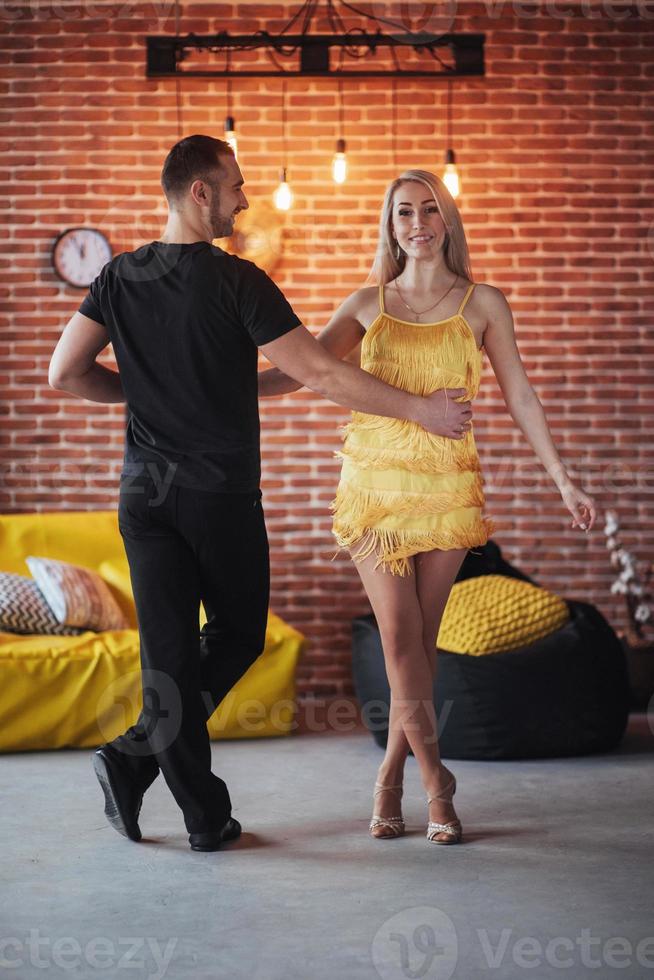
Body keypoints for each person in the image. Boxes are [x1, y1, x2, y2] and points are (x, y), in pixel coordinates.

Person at [48, 137, 474, 852]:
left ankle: (184, 804)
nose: (245, 200)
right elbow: (321, 373)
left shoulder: (118, 277)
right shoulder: (237, 281)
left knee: (169, 659)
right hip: (217, 497)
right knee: (239, 636)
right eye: (237, 186)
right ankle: (150, 773)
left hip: (144, 496)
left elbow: (65, 372)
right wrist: (420, 409)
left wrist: (145, 396)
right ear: (201, 194)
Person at [257, 168, 598, 844]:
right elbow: (304, 371)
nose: (417, 223)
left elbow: (520, 393)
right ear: (390, 225)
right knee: (395, 636)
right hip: (375, 488)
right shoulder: (364, 304)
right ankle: (435, 779)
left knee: (420, 641)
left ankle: (389, 772)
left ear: (447, 222)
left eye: (429, 210)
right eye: (403, 212)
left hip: (446, 489)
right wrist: (215, 379)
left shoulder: (483, 303)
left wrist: (562, 477)